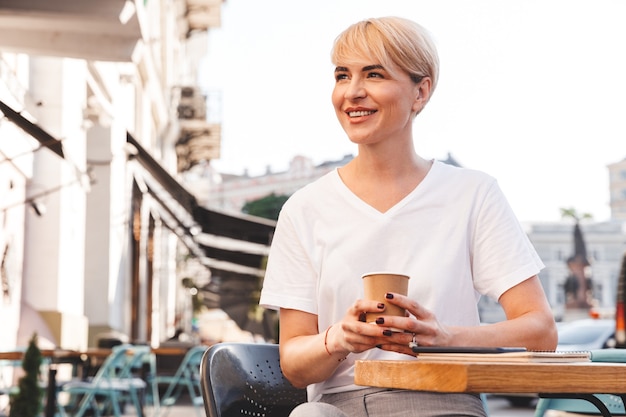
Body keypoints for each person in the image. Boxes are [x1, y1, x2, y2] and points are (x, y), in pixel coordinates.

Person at [259, 16, 557, 417]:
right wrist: (338, 338)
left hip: (447, 403)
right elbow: (294, 365)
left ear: (421, 91)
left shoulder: (472, 194)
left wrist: (446, 337)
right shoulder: (304, 209)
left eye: (374, 74)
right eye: (342, 75)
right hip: (343, 407)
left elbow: (540, 332)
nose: (353, 92)